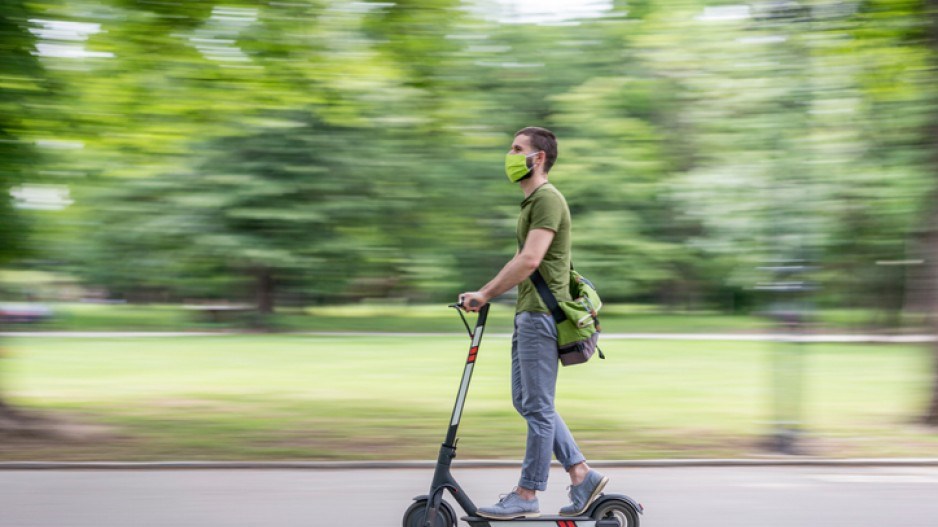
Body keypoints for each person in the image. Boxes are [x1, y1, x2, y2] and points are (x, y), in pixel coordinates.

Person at [458, 127, 608, 520]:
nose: (509, 154)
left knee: (538, 407)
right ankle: (581, 474)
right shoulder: (532, 203)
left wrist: (485, 293)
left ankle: (527, 494)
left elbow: (529, 260)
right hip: (528, 314)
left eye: (516, 148)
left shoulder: (547, 199)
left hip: (541, 316)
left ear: (537, 157)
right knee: (526, 401)